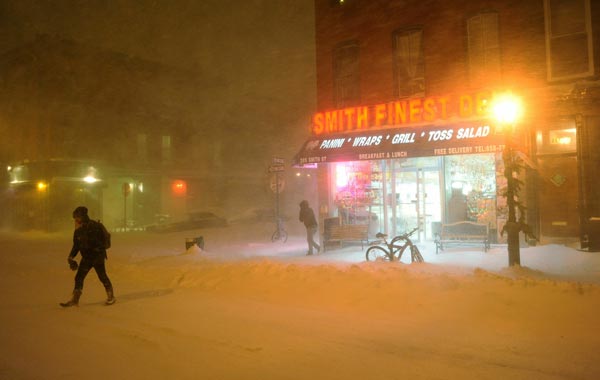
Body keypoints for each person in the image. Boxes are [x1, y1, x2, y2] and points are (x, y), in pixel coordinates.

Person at [60, 206, 115, 307]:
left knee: (102, 276)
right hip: (86, 258)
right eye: (75, 218)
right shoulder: (78, 230)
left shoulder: (94, 226)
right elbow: (76, 245)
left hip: (97, 257)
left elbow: (98, 243)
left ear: (83, 216)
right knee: (79, 277)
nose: (76, 220)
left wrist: (94, 249)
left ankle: (111, 296)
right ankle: (75, 300)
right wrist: (71, 257)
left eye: (77, 217)